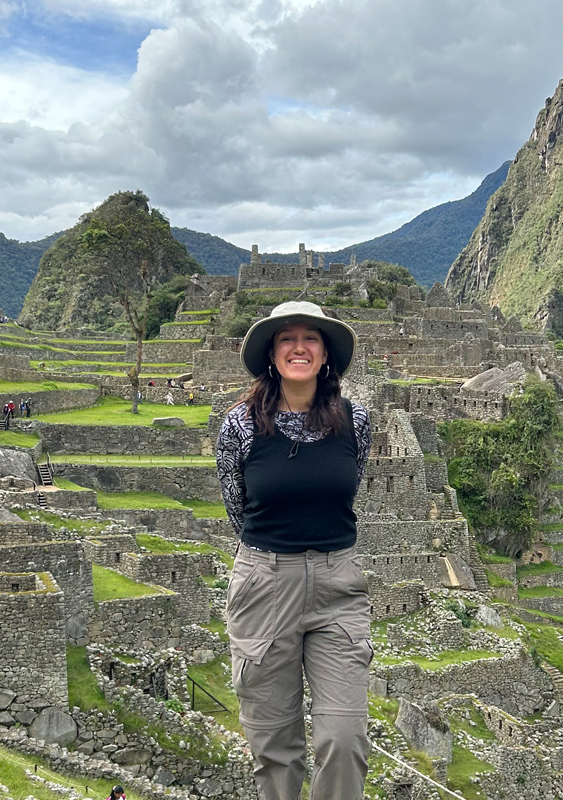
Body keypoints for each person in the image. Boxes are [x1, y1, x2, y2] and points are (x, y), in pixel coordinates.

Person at [214, 301, 372, 800]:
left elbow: (347, 490)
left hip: (338, 586)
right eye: (287, 338)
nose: (299, 347)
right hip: (265, 582)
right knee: (275, 747)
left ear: (326, 355)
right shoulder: (239, 426)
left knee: (343, 738)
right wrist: (277, 558)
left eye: (311, 338)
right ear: (271, 354)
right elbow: (237, 510)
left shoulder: (356, 420)